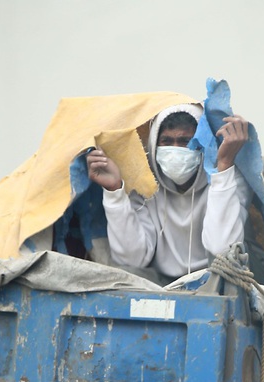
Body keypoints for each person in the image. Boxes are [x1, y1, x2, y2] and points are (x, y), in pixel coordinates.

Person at [86, 104, 251, 281]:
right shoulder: (147, 185)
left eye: (185, 142)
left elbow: (223, 250)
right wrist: (114, 191)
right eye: (166, 142)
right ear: (155, 145)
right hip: (159, 286)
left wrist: (223, 169)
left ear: (203, 145)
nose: (176, 150)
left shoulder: (226, 179)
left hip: (214, 284)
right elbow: (131, 259)